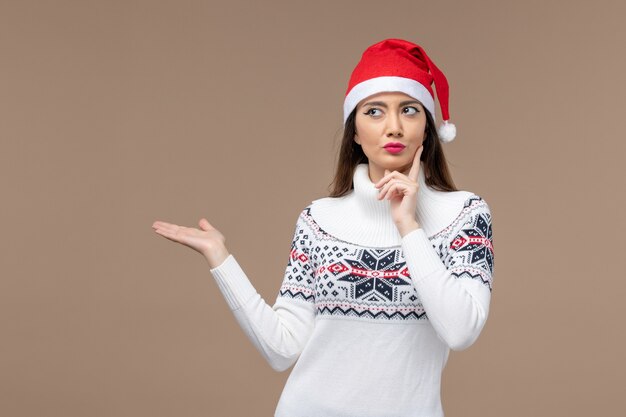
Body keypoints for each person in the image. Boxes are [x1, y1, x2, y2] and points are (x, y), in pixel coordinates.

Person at [152, 38, 495, 417]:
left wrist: (409, 227)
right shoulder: (318, 221)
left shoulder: (464, 215)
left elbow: (461, 331)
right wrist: (221, 258)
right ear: (355, 132)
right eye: (375, 111)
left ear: (428, 128)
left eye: (409, 110)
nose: (393, 127)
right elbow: (283, 348)